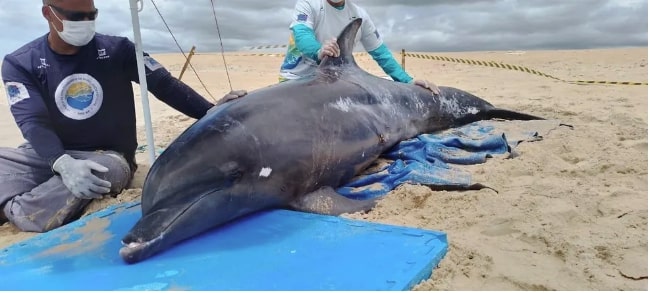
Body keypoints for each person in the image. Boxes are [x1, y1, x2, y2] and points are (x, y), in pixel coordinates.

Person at [0, 0, 247, 233]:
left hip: (108, 156)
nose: (85, 22)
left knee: (101, 172)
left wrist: (209, 110)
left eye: (91, 15)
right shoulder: (21, 63)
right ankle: (43, 192)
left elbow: (164, 85)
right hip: (49, 153)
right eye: (76, 17)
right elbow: (33, 121)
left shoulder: (118, 50)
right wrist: (61, 162)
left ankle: (17, 210)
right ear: (48, 14)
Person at [278, 0, 440, 94]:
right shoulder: (308, 3)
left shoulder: (359, 14)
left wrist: (408, 81)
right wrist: (319, 51)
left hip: (335, 81)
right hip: (297, 79)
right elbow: (302, 35)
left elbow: (380, 53)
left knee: (389, 86)